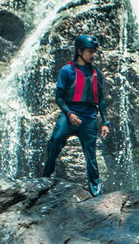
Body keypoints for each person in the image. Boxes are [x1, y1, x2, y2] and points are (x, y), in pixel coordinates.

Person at [43, 34, 110, 197]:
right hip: (69, 113)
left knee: (91, 154)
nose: (93, 55)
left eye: (94, 51)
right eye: (89, 51)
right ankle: (45, 176)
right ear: (80, 51)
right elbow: (58, 97)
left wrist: (105, 122)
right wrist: (69, 113)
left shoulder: (96, 73)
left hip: (89, 116)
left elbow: (100, 99)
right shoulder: (67, 71)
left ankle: (95, 190)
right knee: (56, 140)